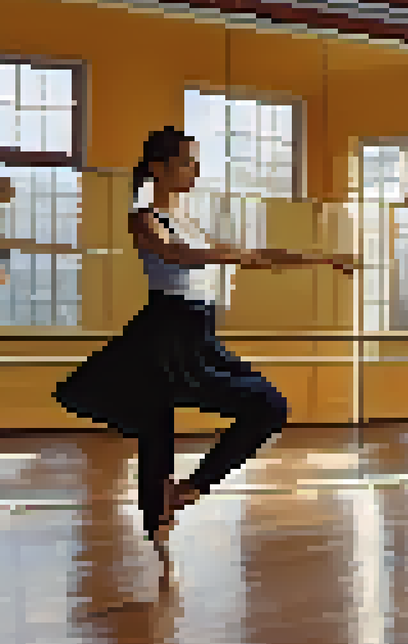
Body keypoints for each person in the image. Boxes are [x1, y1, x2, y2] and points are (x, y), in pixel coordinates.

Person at [53, 126, 357, 544]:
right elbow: (174, 254)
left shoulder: (189, 223)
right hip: (166, 333)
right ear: (158, 168)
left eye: (196, 162)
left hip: (198, 334)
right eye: (186, 162)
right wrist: (233, 253)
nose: (195, 170)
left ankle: (184, 492)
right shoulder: (143, 218)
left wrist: (324, 258)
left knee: (268, 407)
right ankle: (159, 517)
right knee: (157, 423)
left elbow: (258, 255)